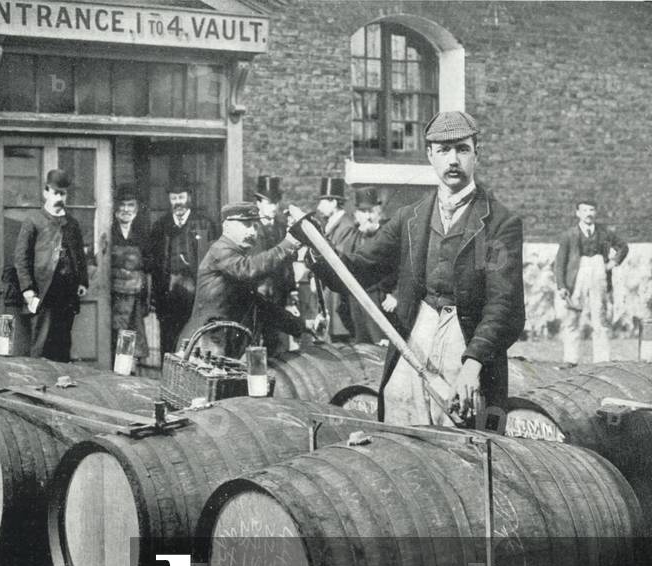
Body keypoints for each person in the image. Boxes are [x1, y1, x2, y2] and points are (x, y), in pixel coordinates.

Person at [299, 111, 525, 428]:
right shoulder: (410, 218)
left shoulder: (499, 224)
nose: (453, 160)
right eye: (443, 150)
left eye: (462, 149)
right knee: (400, 419)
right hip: (417, 334)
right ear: (430, 155)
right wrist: (317, 253)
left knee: (465, 432)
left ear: (477, 153)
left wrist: (473, 365)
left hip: (469, 345)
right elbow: (361, 269)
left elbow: (503, 305)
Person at [178, 202, 304, 355]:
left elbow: (260, 305)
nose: (252, 231)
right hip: (206, 346)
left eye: (255, 226)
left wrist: (301, 326)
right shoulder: (221, 249)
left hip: (220, 343)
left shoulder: (236, 257)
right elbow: (248, 269)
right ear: (227, 226)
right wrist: (289, 244)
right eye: (246, 225)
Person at [14, 169, 89, 362]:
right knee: (41, 343)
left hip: (67, 293)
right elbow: (21, 258)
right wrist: (27, 290)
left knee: (63, 344)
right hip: (43, 292)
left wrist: (82, 281)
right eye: (55, 193)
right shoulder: (33, 221)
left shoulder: (72, 223)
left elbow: (79, 255)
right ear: (46, 192)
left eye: (62, 194)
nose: (59, 198)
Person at [149, 175, 219, 355]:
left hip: (195, 295)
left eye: (181, 197)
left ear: (189, 197)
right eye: (173, 198)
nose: (178, 202)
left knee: (194, 343)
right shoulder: (160, 226)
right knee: (168, 343)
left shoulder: (205, 224)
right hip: (168, 295)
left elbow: (214, 262)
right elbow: (155, 265)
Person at [554, 199, 628, 364]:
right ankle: (570, 358)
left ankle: (602, 359)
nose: (588, 214)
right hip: (576, 275)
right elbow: (560, 263)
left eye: (592, 210)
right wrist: (561, 286)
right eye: (585, 210)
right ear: (578, 213)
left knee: (600, 315)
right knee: (572, 316)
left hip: (598, 273)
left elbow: (623, 247)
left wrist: (613, 263)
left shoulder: (604, 233)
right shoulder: (569, 235)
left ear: (596, 212)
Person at [106, 184, 154, 366]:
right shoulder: (108, 230)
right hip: (112, 294)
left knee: (129, 332)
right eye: (122, 205)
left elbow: (149, 265)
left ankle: (124, 369)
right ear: (116, 207)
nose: (126, 209)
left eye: (131, 205)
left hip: (134, 294)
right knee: (113, 331)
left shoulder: (142, 234)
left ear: (137, 208)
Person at [252, 176, 298, 356]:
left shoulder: (281, 228)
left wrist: (292, 290)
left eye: (276, 203)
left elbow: (288, 262)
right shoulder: (251, 228)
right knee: (254, 340)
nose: (273, 207)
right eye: (269, 203)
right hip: (257, 294)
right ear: (258, 203)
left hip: (278, 294)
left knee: (276, 341)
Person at [348, 186, 398, 344]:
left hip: (380, 301)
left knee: (381, 347)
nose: (368, 217)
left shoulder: (388, 236)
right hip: (357, 301)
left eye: (371, 211)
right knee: (361, 347)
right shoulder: (353, 237)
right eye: (363, 212)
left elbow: (405, 267)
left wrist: (396, 295)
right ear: (357, 215)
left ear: (379, 213)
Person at [316, 177, 360, 342]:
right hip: (331, 295)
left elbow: (339, 260)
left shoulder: (346, 226)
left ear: (333, 202)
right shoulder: (334, 224)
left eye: (323, 202)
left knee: (341, 342)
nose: (319, 207)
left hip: (338, 298)